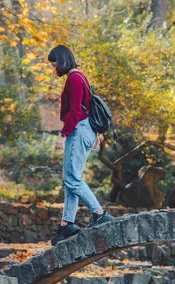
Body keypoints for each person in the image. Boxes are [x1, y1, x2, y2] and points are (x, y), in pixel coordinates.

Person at [48, 44, 114, 245]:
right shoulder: (80, 77)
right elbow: (86, 108)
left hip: (78, 130)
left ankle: (99, 213)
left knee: (72, 178)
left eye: (54, 64)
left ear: (62, 61)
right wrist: (93, 134)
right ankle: (66, 224)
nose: (53, 69)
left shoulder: (75, 79)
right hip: (85, 130)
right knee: (71, 179)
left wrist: (63, 134)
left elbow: (76, 112)